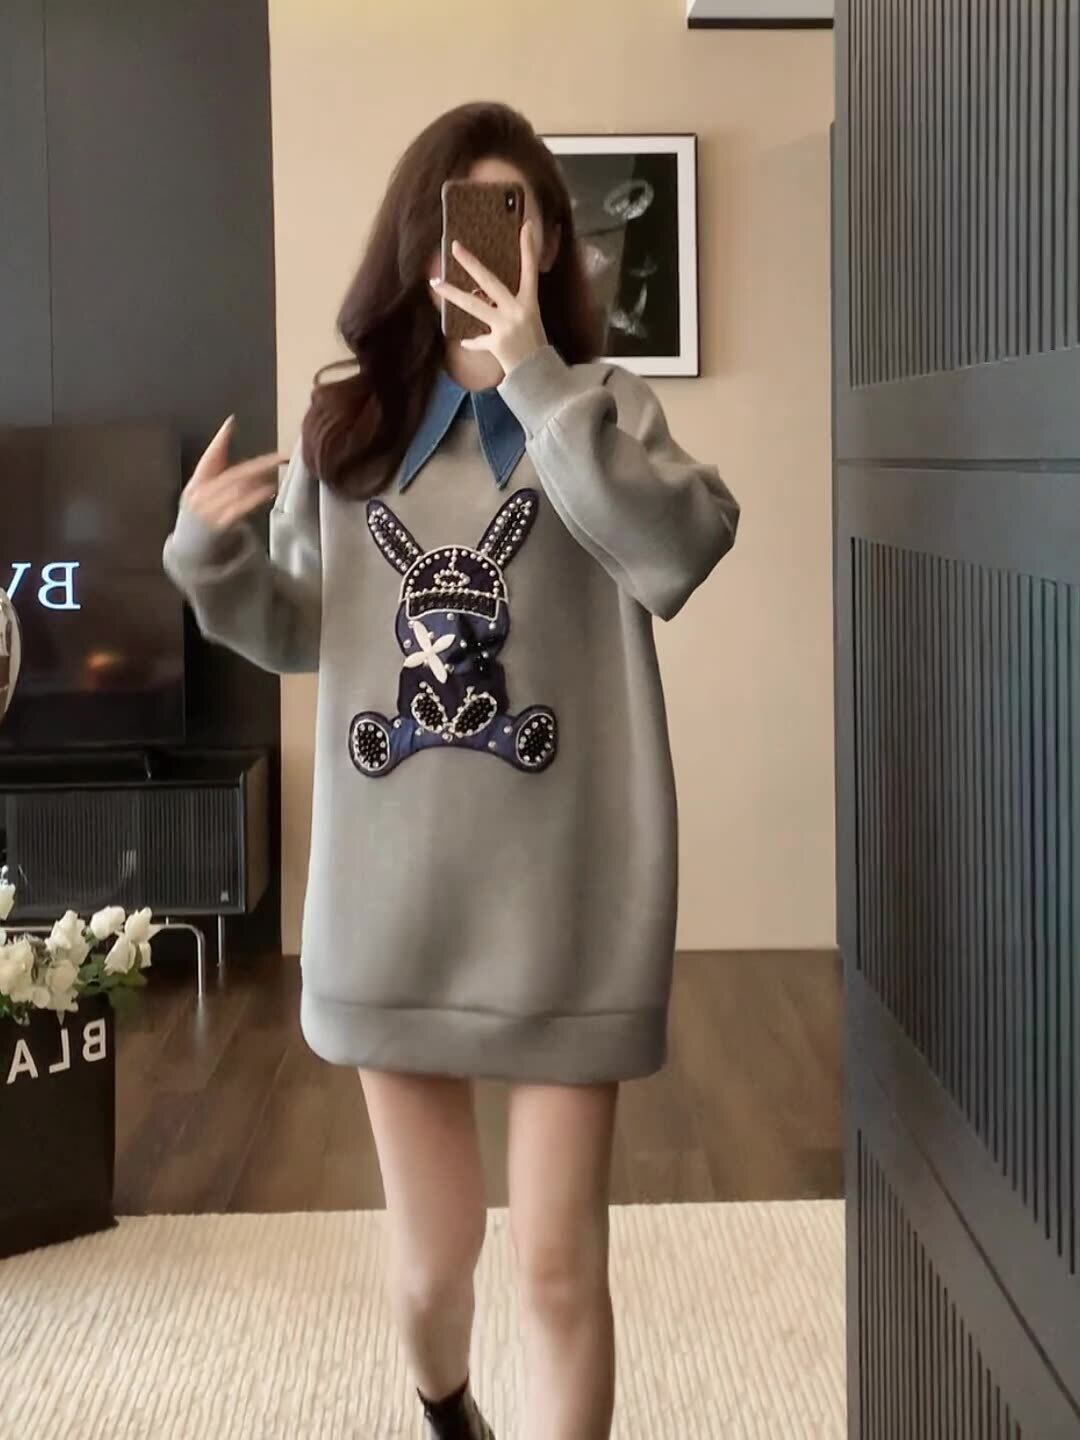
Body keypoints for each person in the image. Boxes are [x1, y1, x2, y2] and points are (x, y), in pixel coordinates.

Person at [163, 102, 738, 1440]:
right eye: (456, 222)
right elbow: (303, 632)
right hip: (393, 904)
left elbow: (679, 549)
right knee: (434, 1266)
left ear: (550, 245)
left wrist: (534, 376)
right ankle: (446, 1406)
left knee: (556, 1263)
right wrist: (206, 556)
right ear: (413, 245)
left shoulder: (602, 409)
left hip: (569, 902)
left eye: (511, 219)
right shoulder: (348, 428)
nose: (480, 249)